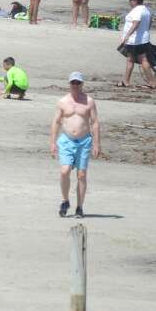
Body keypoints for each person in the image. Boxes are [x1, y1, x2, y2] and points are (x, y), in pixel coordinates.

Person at [50, 72, 100, 218]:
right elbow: (56, 122)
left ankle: (79, 207)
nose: (76, 86)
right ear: (69, 84)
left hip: (84, 141)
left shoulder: (89, 101)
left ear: (82, 84)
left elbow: (95, 123)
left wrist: (97, 143)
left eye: (78, 83)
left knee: (81, 174)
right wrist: (52, 142)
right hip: (66, 140)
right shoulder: (63, 102)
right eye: (73, 83)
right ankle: (65, 200)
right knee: (65, 171)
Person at [117, 0, 156, 88]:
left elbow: (136, 23)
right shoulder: (146, 10)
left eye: (130, 0)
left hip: (135, 40)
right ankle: (126, 81)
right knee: (136, 59)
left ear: (134, 1)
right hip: (143, 39)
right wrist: (145, 32)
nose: (129, 2)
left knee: (136, 60)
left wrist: (127, 36)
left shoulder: (137, 11)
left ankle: (151, 82)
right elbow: (150, 22)